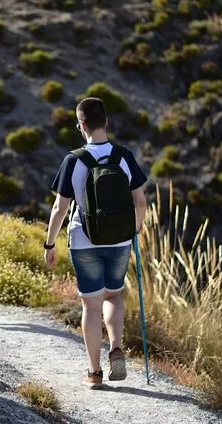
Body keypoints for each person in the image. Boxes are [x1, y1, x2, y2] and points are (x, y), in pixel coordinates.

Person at [44, 97, 147, 388]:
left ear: (81, 125)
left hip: (84, 239)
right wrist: (135, 228)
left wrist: (49, 244)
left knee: (91, 305)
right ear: (107, 122)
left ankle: (94, 373)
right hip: (120, 241)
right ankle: (116, 347)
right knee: (113, 296)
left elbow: (60, 208)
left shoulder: (73, 159)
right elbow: (140, 201)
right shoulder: (124, 156)